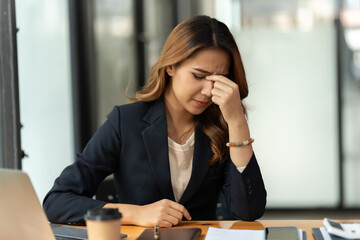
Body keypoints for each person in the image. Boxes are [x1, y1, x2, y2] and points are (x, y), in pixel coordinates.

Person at [43, 15, 267, 228]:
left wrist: (237, 122)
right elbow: (57, 201)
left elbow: (248, 211)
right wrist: (135, 213)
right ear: (171, 66)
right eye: (198, 76)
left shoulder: (223, 125)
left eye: (218, 80)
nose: (209, 91)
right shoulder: (126, 122)